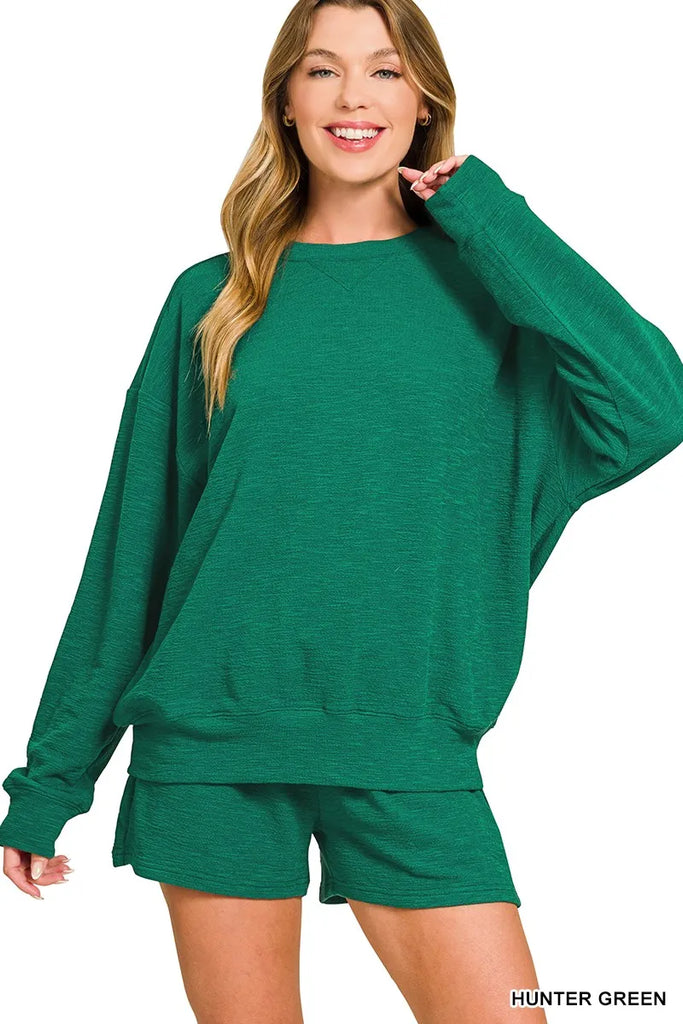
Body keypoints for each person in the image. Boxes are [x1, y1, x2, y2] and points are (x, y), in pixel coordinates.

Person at [2, 1, 682, 1022]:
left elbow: (652, 405)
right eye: (322, 70)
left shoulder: (493, 295)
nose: (353, 96)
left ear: (424, 101)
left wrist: (489, 217)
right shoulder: (211, 298)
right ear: (285, 100)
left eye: (385, 70)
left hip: (407, 750)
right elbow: (132, 552)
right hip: (211, 752)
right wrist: (50, 779)